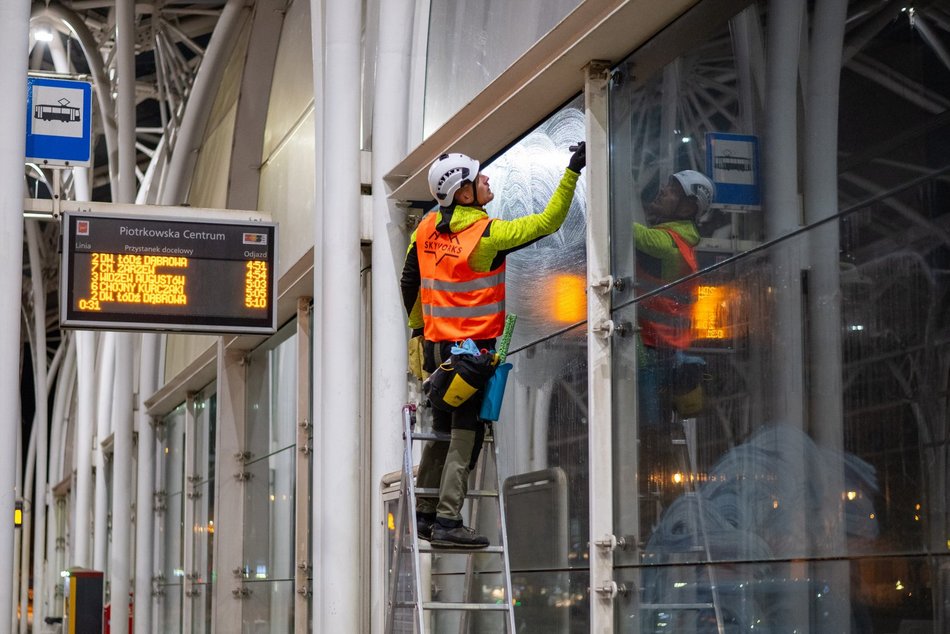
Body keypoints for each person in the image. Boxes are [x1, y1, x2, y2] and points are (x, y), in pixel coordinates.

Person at [401, 143, 586, 547]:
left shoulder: (426, 228)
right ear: (464, 193)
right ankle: (449, 521)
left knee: (442, 430)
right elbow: (549, 222)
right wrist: (572, 170)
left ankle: (425, 513)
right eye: (479, 177)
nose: (486, 180)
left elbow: (408, 282)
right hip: (469, 357)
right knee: (465, 435)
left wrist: (419, 331)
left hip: (436, 352)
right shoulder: (486, 234)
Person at [635, 169, 714, 425]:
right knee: (653, 426)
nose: (662, 191)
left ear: (686, 208)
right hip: (664, 347)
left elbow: (617, 226)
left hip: (652, 347)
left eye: (672, 191)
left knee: (649, 429)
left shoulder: (666, 245)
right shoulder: (681, 243)